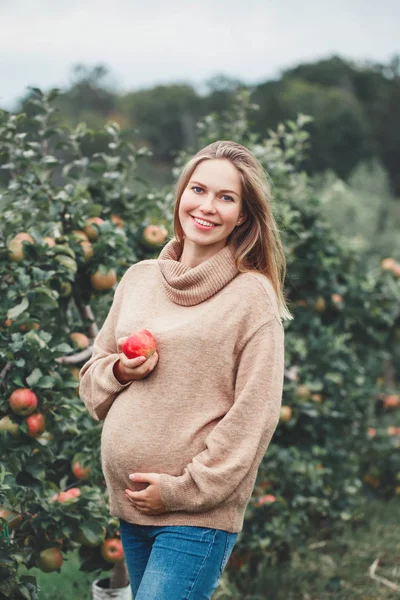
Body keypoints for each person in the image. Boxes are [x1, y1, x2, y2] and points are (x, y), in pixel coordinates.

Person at [79, 140, 292, 599]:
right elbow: (92, 383)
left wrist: (182, 490)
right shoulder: (138, 279)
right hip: (132, 509)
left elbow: (256, 415)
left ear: (244, 216)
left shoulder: (251, 297)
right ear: (180, 195)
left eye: (226, 197)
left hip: (195, 517)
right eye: (199, 189)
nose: (207, 206)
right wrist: (121, 371)